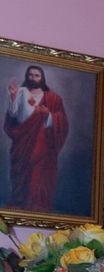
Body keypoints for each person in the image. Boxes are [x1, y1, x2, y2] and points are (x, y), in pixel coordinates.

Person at [4, 65, 69, 212]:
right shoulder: (21, 92)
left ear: (42, 78)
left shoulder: (53, 98)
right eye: (30, 75)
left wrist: (48, 115)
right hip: (22, 144)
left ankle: (38, 209)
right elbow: (12, 115)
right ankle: (20, 204)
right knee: (21, 176)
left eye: (37, 75)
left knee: (39, 176)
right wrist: (13, 97)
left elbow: (63, 122)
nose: (33, 78)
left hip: (43, 147)